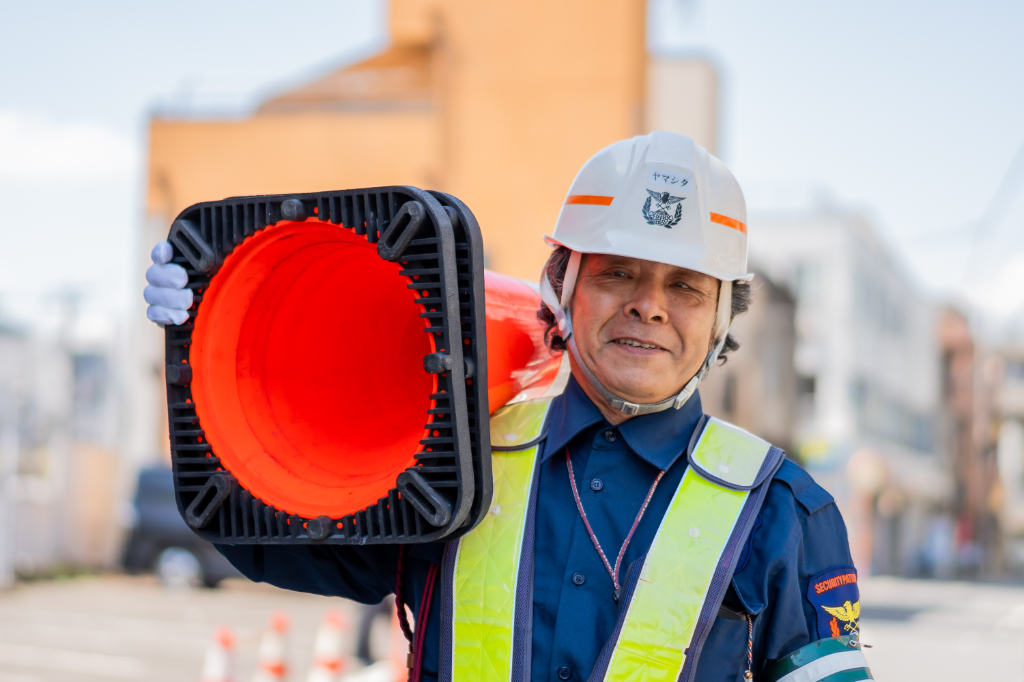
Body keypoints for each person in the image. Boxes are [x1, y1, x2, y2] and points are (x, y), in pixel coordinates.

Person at [145, 132, 870, 682]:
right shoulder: (446, 459)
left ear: (720, 319)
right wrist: (207, 346)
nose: (648, 306)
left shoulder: (783, 513)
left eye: (685, 285)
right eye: (618, 273)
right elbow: (266, 525)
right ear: (563, 285)